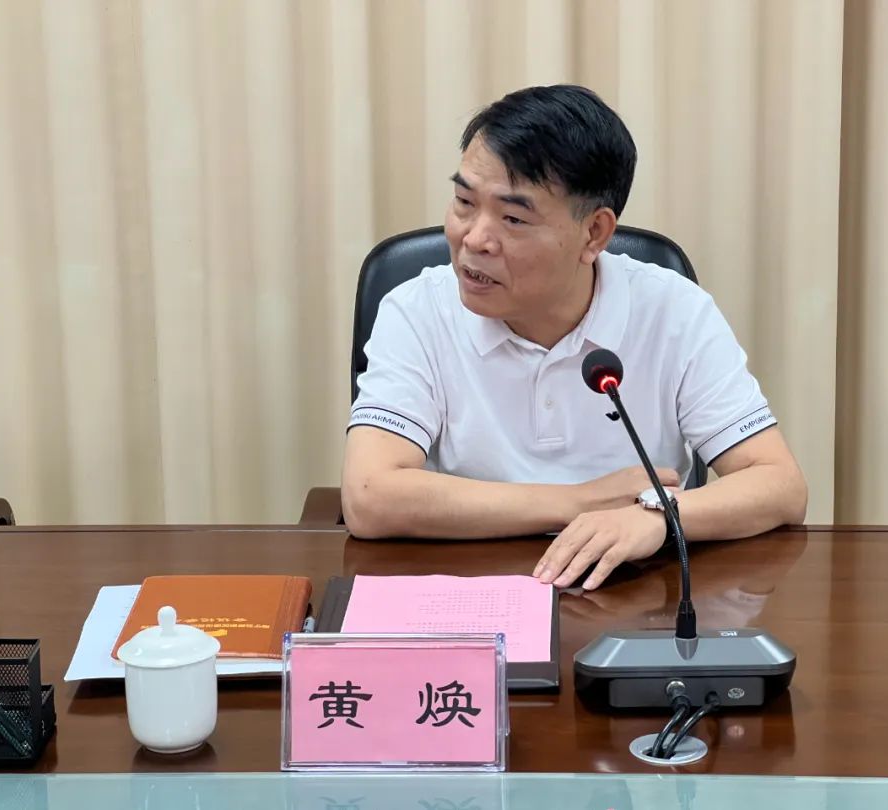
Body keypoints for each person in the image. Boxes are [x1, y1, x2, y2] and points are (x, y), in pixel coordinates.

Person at [341, 84, 807, 590]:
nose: (473, 238)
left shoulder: (672, 310)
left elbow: (780, 485)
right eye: (464, 202)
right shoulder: (417, 309)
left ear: (594, 234)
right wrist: (580, 501)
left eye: (513, 218)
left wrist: (659, 516)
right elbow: (369, 497)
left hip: (634, 593)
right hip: (466, 592)